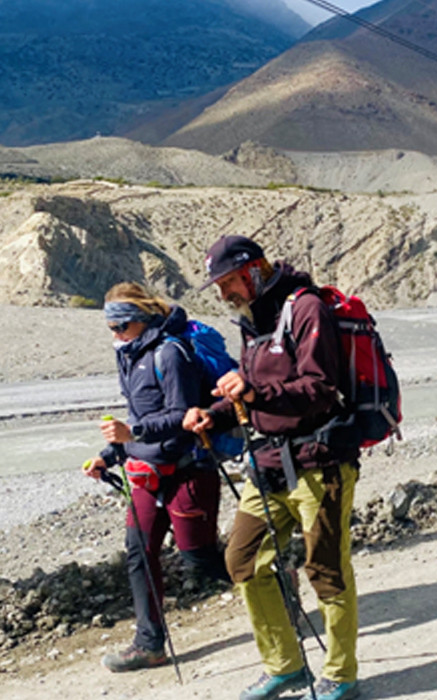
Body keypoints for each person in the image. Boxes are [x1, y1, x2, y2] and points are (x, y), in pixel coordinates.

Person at [183, 236, 361, 700]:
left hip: (320, 463)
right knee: (242, 560)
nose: (224, 295)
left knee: (326, 570)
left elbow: (320, 388)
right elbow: (249, 391)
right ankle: (285, 666)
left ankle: (341, 675)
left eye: (227, 283)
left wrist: (254, 393)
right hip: (268, 462)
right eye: (219, 287)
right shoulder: (254, 321)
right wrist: (213, 413)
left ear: (255, 270)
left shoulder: (306, 310)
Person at [83, 283, 230, 672]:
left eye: (122, 326)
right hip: (147, 472)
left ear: (143, 319)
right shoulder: (130, 355)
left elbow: (183, 416)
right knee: (139, 553)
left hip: (189, 468)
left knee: (199, 558)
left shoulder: (171, 353)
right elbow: (138, 419)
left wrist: (131, 436)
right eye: (111, 328)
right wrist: (109, 456)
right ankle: (149, 644)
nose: (116, 335)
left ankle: (277, 583)